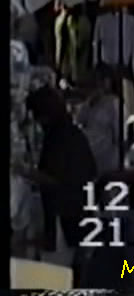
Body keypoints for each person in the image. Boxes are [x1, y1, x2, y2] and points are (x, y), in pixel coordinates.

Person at [20, 86, 97, 264]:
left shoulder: (58, 137)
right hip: (80, 210)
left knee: (62, 265)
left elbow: (54, 179)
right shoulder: (72, 133)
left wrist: (25, 171)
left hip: (65, 213)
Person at [76, 64, 121, 177]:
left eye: (102, 80)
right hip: (88, 155)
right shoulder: (91, 101)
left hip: (106, 158)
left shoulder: (115, 103)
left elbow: (120, 136)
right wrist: (89, 103)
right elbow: (79, 119)